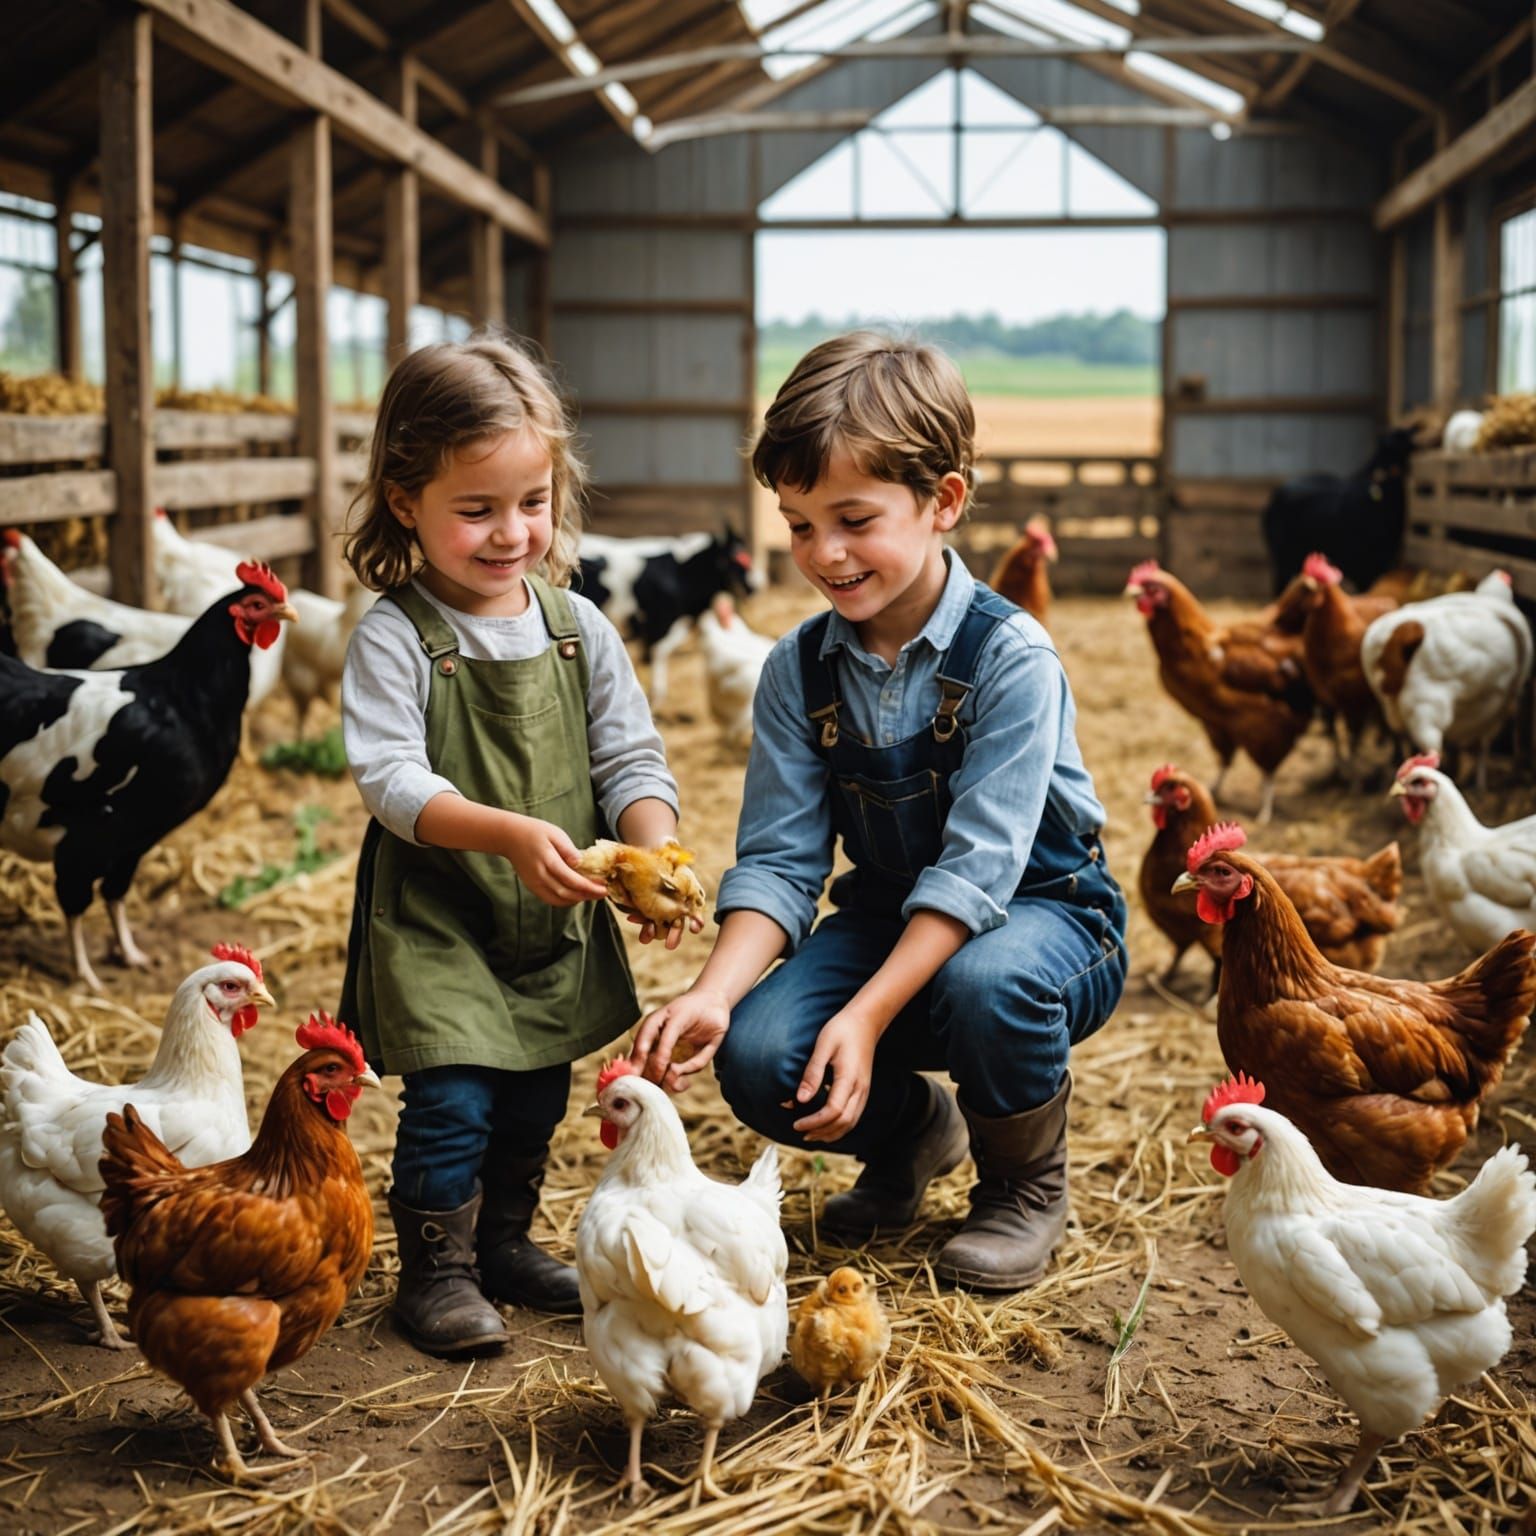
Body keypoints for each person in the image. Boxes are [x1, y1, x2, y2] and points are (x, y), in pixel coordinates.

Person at [631, 332, 1127, 1291]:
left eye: (853, 518)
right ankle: (913, 1136)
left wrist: (863, 1015)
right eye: (799, 524)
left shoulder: (1011, 658)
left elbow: (982, 871)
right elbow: (779, 862)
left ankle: (1023, 1186)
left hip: (1049, 919)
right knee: (761, 1053)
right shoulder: (796, 670)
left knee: (989, 981)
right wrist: (713, 993)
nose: (824, 553)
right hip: (889, 915)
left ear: (943, 500)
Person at [339, 333, 695, 1354]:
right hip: (441, 910)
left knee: (538, 1085)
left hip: (552, 909)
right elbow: (392, 781)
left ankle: (502, 1240)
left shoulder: (578, 626)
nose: (510, 534)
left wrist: (651, 858)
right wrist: (504, 833)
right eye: (477, 509)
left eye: (532, 503)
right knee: (453, 1092)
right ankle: (437, 1270)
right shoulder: (398, 635)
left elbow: (632, 763)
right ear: (405, 499)